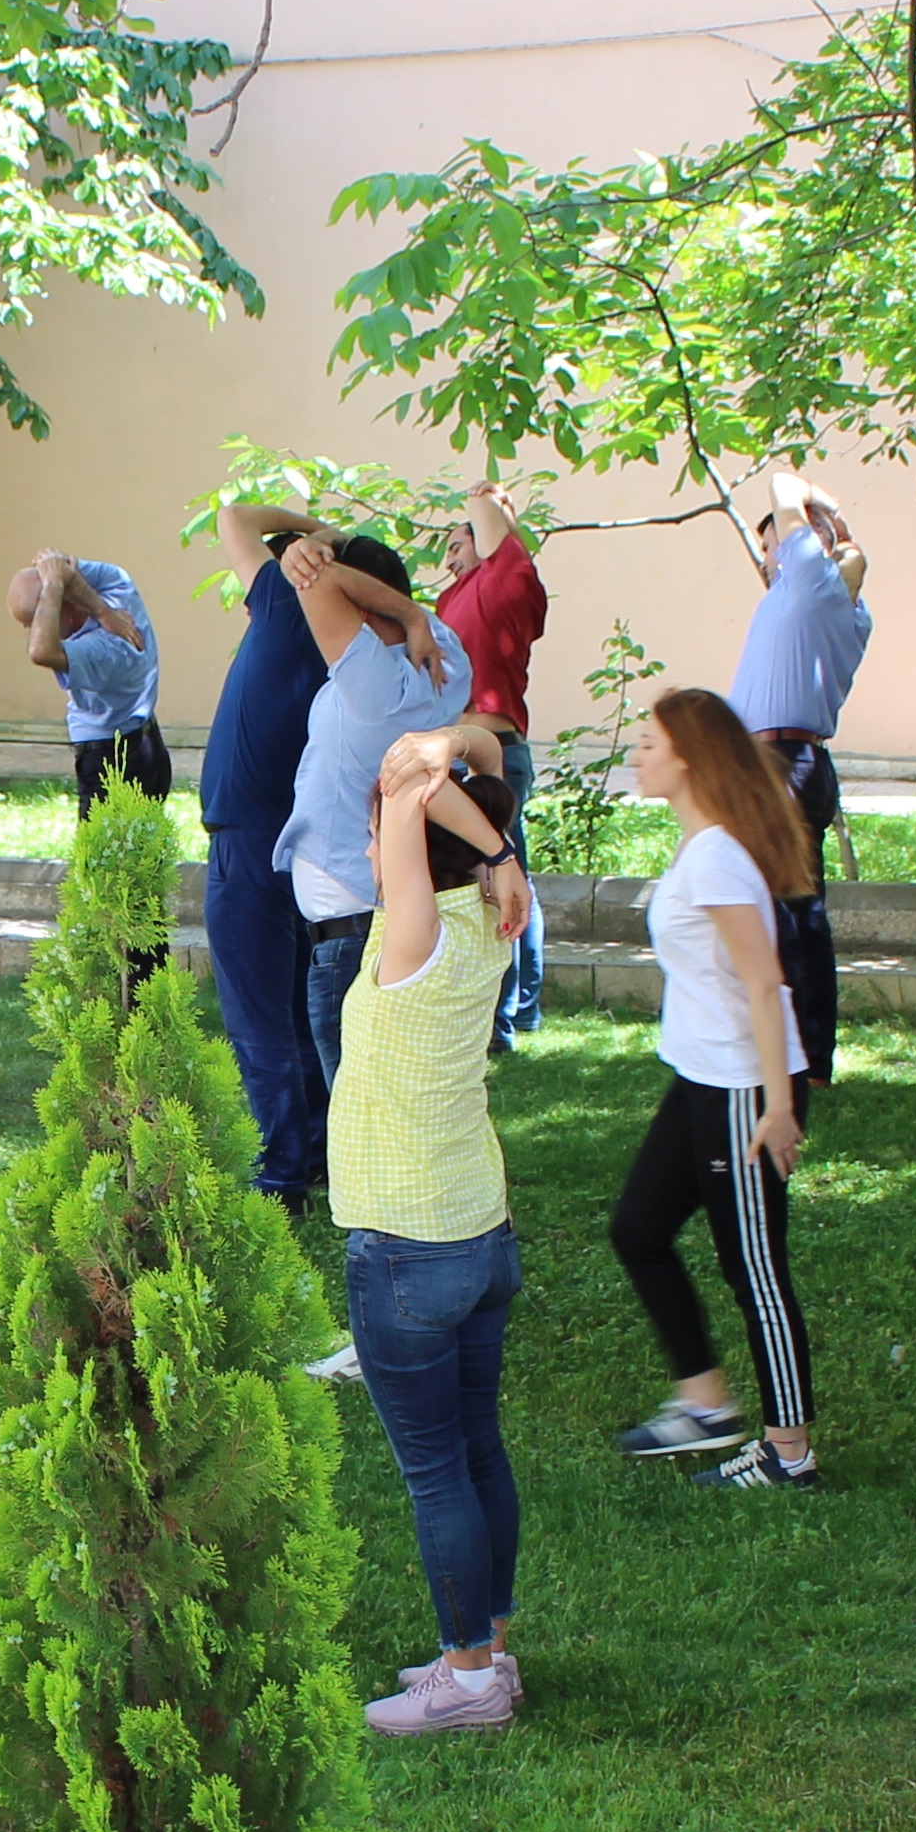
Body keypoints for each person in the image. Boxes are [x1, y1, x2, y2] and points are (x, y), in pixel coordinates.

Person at [332, 729, 535, 1738]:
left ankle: (467, 1679)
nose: (372, 841)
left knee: (436, 1470)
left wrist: (478, 835)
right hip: (476, 1230)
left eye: (381, 832)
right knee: (475, 1446)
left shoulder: (415, 932)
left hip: (408, 1248)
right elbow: (465, 751)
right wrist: (499, 850)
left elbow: (413, 768)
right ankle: (488, 1648)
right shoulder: (487, 918)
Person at [605, 688, 826, 1489]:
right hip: (698, 1078)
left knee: (755, 1271)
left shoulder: (719, 857)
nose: (638, 755)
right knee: (638, 1229)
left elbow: (767, 985)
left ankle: (789, 1451)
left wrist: (778, 1106)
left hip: (741, 1088)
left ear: (690, 757)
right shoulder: (701, 847)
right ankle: (705, 1405)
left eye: (649, 744)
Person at [275, 528, 475, 1087]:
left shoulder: (377, 683)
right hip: (361, 922)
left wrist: (321, 552)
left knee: (362, 1112)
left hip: (353, 932)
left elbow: (317, 581)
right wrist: (415, 617)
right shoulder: (444, 656)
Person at [202, 506, 341, 1203]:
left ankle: (282, 1172)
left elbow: (232, 515)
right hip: (283, 841)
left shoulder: (288, 605)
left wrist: (315, 529)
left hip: (247, 841)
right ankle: (311, 1150)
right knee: (289, 1014)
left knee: (260, 1021)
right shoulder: (324, 635)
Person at [729, 466, 869, 1089]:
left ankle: (805, 1059)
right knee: (778, 907)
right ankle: (788, 1049)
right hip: (770, 761)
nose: (768, 559)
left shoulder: (812, 585)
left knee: (792, 913)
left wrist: (825, 508)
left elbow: (785, 482)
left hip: (788, 761)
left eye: (774, 547)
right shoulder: (804, 596)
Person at [431, 481, 553, 1043]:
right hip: (461, 751)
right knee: (500, 873)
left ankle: (506, 1018)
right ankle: (511, 1011)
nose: (448, 558)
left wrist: (492, 501)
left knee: (501, 875)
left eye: (458, 545)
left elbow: (486, 511)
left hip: (496, 752)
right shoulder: (454, 598)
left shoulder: (507, 580)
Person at [12, 548, 167, 814]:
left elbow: (41, 652)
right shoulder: (118, 584)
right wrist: (103, 611)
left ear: (64, 610)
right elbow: (61, 567)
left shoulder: (107, 650)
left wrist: (52, 587)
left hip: (112, 760)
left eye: (33, 622)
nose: (31, 630)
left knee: (100, 853)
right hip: (147, 739)